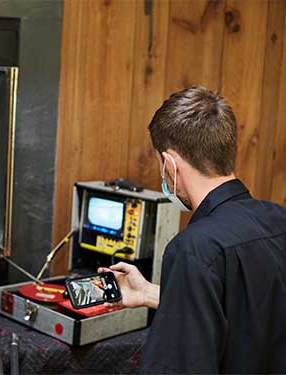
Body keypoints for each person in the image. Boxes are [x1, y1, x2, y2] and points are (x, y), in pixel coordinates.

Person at [99, 86, 286, 373]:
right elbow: (250, 317)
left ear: (171, 166)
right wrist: (154, 294)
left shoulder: (194, 249)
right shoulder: (278, 219)